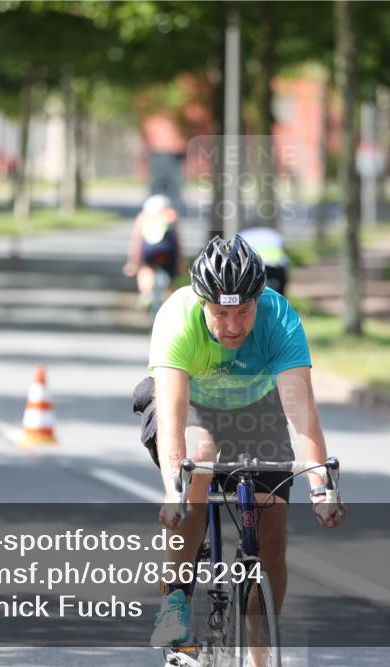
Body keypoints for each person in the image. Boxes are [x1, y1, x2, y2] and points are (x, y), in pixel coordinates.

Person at [131, 234, 346, 652]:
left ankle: (261, 652)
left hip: (254, 406)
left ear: (258, 300)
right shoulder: (177, 316)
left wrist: (321, 487)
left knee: (272, 538)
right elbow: (172, 412)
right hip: (190, 404)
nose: (233, 326)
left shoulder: (278, 317)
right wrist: (174, 491)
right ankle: (175, 601)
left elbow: (300, 410)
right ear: (202, 302)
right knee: (199, 458)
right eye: (220, 313)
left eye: (243, 311)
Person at [124, 194, 183, 310]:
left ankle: (147, 293)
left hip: (149, 250)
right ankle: (171, 303)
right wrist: (180, 263)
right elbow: (178, 241)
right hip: (168, 250)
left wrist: (133, 262)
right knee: (170, 279)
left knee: (145, 269)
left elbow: (137, 241)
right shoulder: (171, 215)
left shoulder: (144, 216)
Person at [238, 225, 289, 296]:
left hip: (252, 268)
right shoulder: (273, 234)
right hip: (275, 266)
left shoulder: (243, 235)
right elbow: (284, 257)